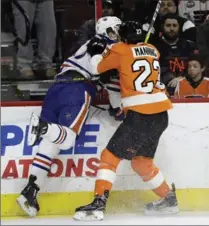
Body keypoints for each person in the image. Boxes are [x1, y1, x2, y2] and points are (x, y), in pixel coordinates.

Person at [16, 16, 122, 218]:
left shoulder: (92, 43)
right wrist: (118, 109)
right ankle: (43, 127)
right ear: (108, 30)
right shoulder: (108, 47)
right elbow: (104, 77)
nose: (119, 32)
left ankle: (30, 189)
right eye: (116, 29)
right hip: (76, 88)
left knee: (52, 143)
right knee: (68, 139)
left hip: (56, 88)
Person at [73, 21, 179, 221]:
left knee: (109, 156)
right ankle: (168, 198)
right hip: (161, 115)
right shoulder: (152, 49)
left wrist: (98, 51)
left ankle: (98, 203)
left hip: (141, 114)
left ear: (123, 37)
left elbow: (96, 67)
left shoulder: (120, 49)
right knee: (141, 162)